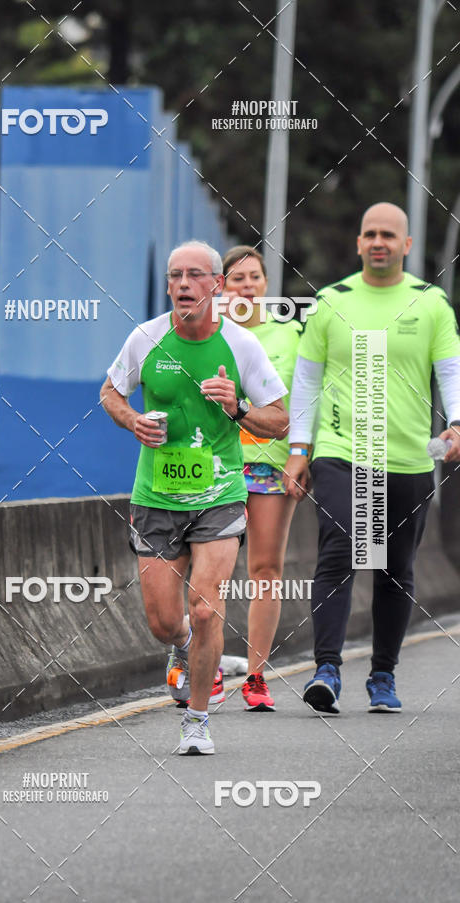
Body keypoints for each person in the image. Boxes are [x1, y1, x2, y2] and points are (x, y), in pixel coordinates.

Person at [100, 240, 288, 754]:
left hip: (220, 494)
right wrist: (133, 420)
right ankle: (182, 646)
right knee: (165, 622)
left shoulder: (241, 345)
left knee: (205, 609)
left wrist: (239, 408)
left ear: (216, 285)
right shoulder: (145, 338)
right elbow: (110, 392)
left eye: (194, 275)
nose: (183, 284)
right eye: (175, 276)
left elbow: (279, 420)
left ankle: (198, 721)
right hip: (156, 496)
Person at [285, 202, 460, 714]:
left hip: (408, 458)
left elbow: (450, 371)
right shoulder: (330, 301)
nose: (379, 242)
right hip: (341, 453)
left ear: (406, 245)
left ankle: (382, 675)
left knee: (394, 569)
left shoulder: (430, 303)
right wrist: (299, 449)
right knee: (339, 550)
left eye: (388, 234)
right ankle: (327, 670)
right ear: (359, 243)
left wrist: (456, 422)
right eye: (370, 234)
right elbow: (306, 382)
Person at [222, 246, 302, 711]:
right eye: (237, 279)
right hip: (218, 464)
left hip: (271, 465)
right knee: (208, 571)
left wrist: (301, 455)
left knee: (266, 571)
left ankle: (255, 677)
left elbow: (305, 400)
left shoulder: (290, 334)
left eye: (254, 277)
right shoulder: (208, 334)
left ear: (266, 284)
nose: (247, 286)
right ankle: (201, 667)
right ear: (222, 287)